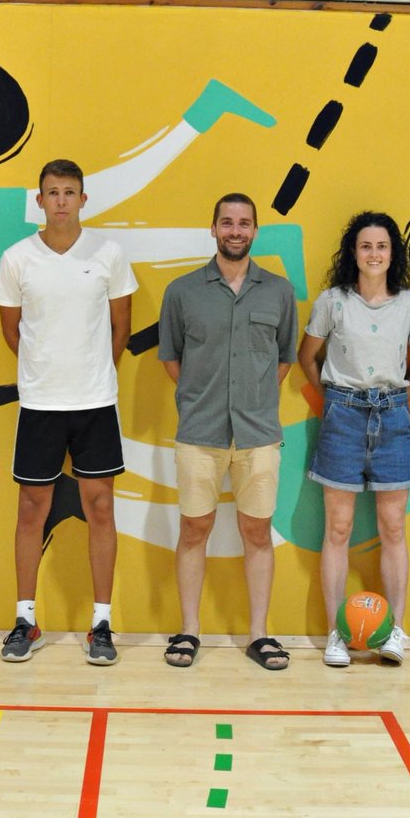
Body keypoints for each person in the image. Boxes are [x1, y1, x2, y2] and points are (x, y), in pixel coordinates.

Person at [0, 158, 137, 665]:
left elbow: (121, 327)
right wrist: (45, 372)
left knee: (100, 510)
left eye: (69, 192)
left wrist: (93, 373)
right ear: (40, 200)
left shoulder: (109, 254)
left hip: (96, 403)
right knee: (31, 511)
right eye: (51, 192)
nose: (60, 200)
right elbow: (13, 332)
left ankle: (101, 623)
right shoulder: (16, 259)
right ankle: (25, 621)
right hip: (40, 405)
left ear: (83, 199)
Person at [159, 193, 299, 671]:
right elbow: (171, 358)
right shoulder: (182, 291)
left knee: (256, 532)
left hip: (258, 434)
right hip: (199, 431)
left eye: (244, 223)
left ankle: (260, 634)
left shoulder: (279, 291)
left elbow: (284, 358)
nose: (235, 230)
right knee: (194, 529)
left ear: (255, 231)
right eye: (227, 222)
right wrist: (204, 397)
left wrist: (252, 398)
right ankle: (189, 630)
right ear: (213, 228)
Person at [297, 212, 410, 668]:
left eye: (382, 246)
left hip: (393, 418)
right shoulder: (333, 301)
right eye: (365, 246)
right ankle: (337, 634)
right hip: (343, 416)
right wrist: (336, 400)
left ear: (393, 254)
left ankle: (396, 631)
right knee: (337, 529)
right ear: (352, 253)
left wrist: (399, 399)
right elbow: (308, 356)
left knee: (394, 528)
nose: (374, 254)